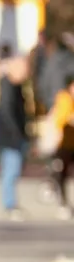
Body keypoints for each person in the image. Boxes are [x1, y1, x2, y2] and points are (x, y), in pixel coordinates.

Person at [0, 45, 31, 221]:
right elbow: (7, 112)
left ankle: (11, 203)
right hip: (10, 136)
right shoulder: (9, 86)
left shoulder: (14, 86)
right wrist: (16, 134)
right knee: (11, 170)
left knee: (13, 169)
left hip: (12, 135)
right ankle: (9, 204)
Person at [45, 75, 74, 220]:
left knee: (62, 173)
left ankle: (51, 185)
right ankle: (62, 203)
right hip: (63, 144)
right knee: (61, 173)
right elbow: (59, 120)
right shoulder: (64, 99)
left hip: (70, 143)